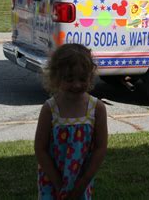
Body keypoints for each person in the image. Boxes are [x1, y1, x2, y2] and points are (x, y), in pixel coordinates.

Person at [35, 43, 108, 199]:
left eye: (82, 79)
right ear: (56, 77)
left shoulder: (96, 109)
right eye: (69, 79)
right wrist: (58, 183)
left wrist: (83, 183)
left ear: (90, 76)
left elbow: (100, 148)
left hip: (81, 180)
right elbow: (40, 149)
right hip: (52, 181)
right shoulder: (50, 109)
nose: (76, 85)